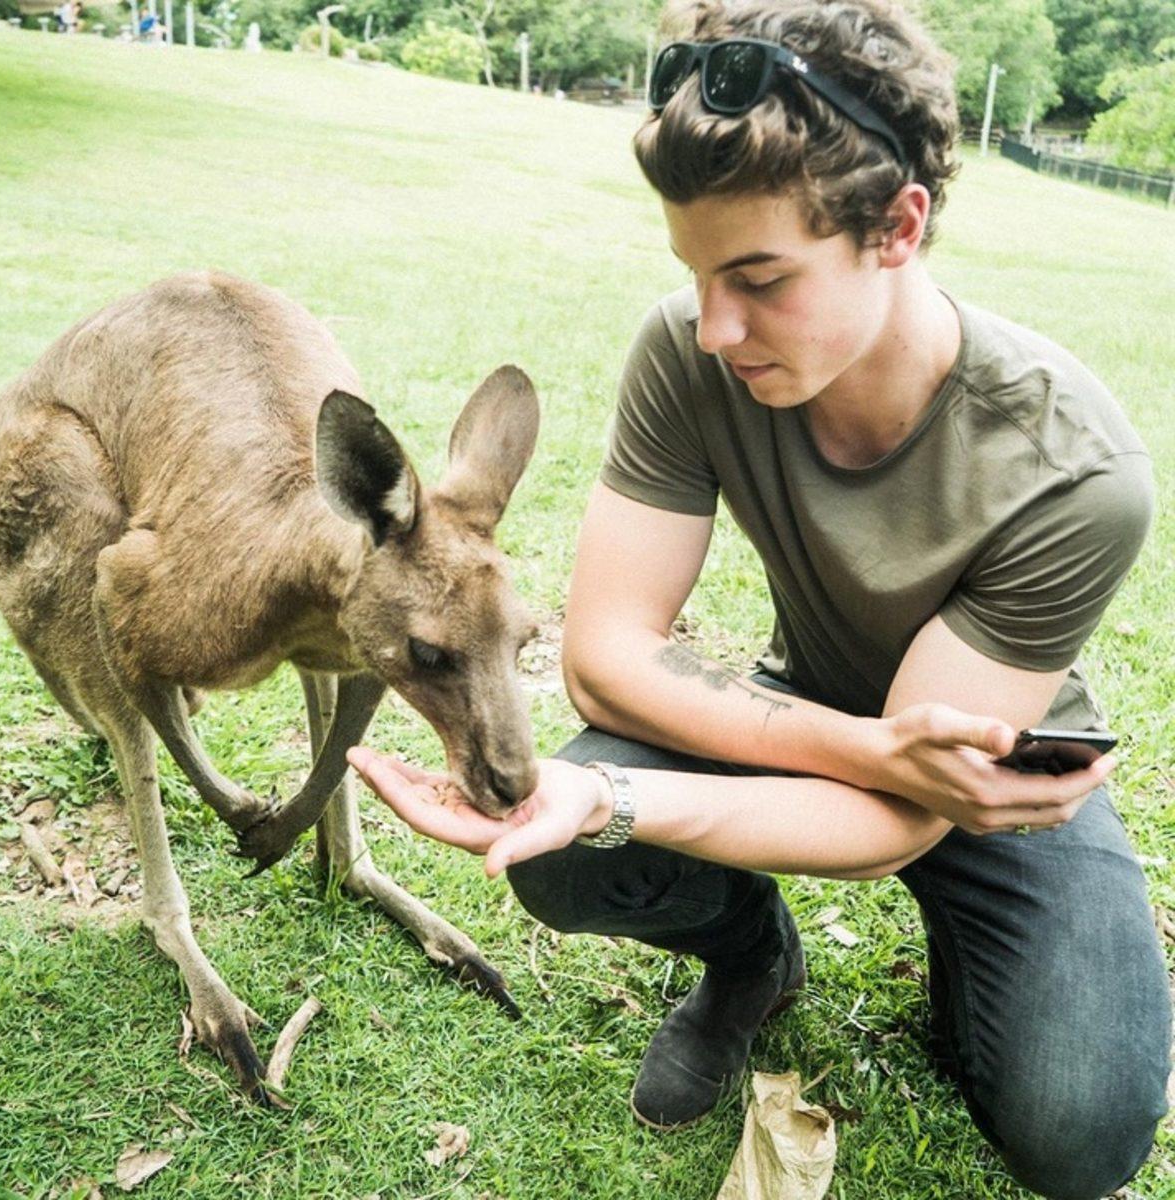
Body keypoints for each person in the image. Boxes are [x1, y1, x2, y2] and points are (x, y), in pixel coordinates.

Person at [348, 2, 1171, 1196]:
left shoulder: (1076, 471)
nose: (715, 325)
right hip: (832, 721)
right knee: (561, 849)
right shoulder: (686, 350)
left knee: (1079, 1139)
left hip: (985, 773)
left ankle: (980, 955)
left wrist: (902, 768)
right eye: (694, 273)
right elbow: (605, 659)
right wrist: (610, 789)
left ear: (899, 226)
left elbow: (908, 810)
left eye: (761, 278)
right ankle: (749, 958)